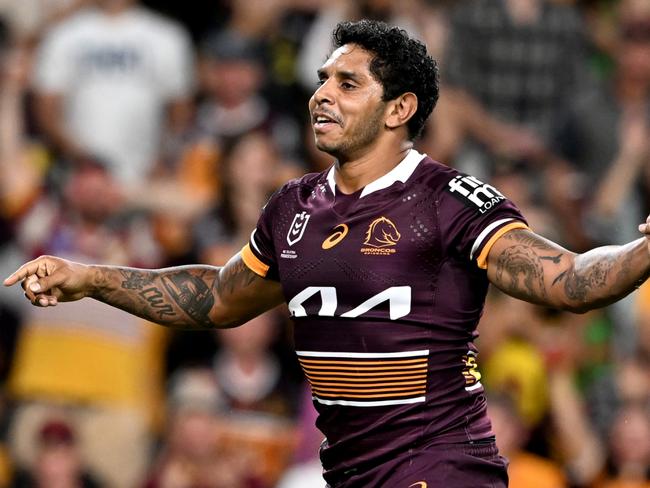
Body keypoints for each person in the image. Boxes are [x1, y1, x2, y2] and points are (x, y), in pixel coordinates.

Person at [4, 19, 650, 487]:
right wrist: (90, 276)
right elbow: (218, 298)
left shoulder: (450, 199)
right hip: (348, 472)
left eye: (347, 83)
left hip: (442, 469)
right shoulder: (292, 206)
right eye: (322, 81)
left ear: (400, 108)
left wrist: (641, 250)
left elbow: (570, 280)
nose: (321, 95)